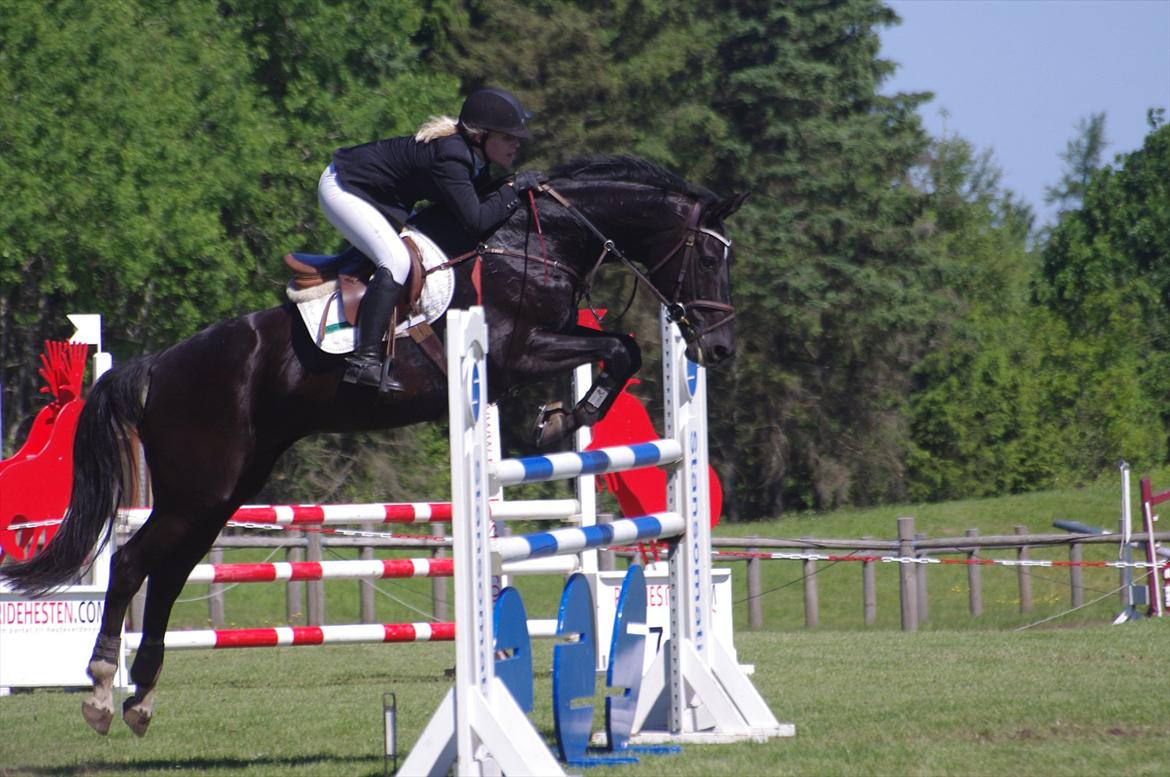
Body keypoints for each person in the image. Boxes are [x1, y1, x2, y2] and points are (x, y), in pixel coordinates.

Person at [319, 87, 547, 393]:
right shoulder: (452, 157)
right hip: (345, 188)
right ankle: (364, 361)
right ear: (480, 136)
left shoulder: (473, 157)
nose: (516, 144)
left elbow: (477, 207)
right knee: (396, 261)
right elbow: (477, 221)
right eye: (508, 137)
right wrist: (513, 188)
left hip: (377, 197)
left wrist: (515, 188)